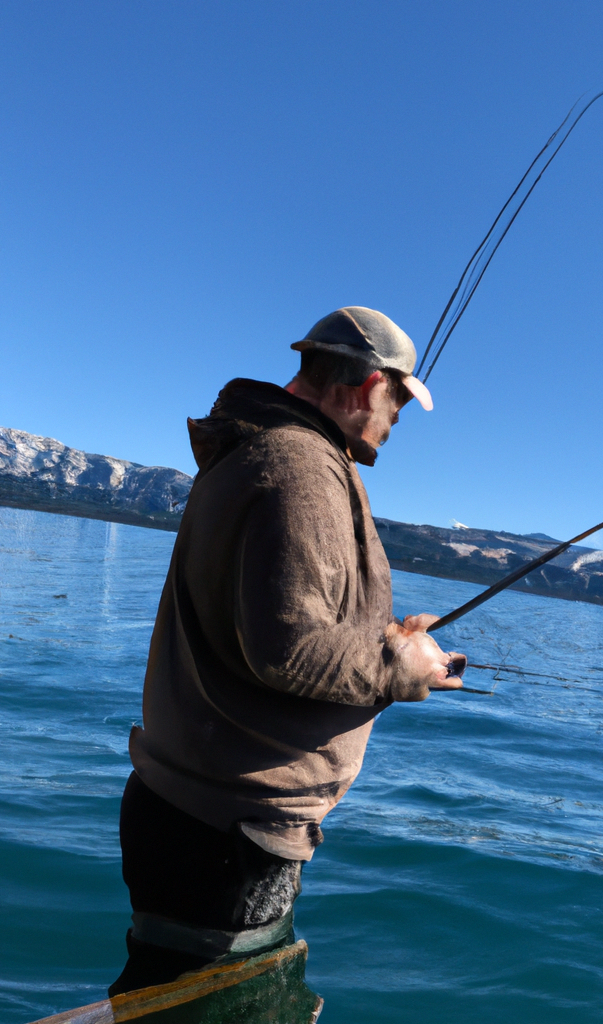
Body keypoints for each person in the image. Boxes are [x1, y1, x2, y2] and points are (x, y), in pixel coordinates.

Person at [109, 307, 466, 995]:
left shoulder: (267, 448)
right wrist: (398, 668)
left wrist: (389, 638)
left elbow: (274, 617)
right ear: (368, 387)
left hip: (204, 826)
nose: (396, 419)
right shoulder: (300, 466)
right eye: (398, 400)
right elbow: (288, 646)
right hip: (225, 838)